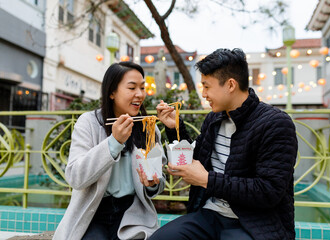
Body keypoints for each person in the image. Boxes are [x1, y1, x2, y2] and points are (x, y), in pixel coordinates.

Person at [153, 48, 298, 240]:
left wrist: (207, 180)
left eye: (207, 86)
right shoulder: (214, 119)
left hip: (255, 223)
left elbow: (268, 191)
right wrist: (175, 128)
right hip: (210, 214)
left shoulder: (276, 123)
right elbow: (195, 160)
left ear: (230, 85)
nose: (203, 94)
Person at [53, 62, 166, 240]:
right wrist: (114, 142)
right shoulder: (88, 123)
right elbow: (75, 177)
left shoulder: (148, 128)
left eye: (142, 87)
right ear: (112, 92)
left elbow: (158, 183)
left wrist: (152, 184)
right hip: (92, 212)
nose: (140, 94)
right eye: (132, 87)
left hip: (132, 212)